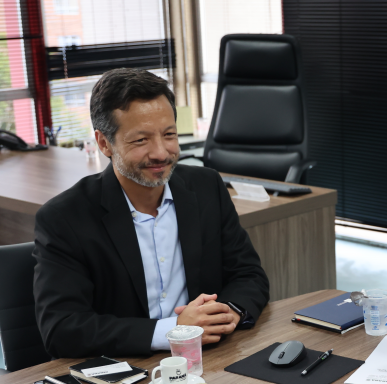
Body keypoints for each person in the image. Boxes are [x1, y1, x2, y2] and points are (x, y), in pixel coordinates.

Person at [34, 68, 269, 358]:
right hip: (126, 371)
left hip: (210, 360)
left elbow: (248, 274)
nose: (161, 152)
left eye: (169, 134)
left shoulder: (206, 187)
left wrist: (229, 312)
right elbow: (61, 329)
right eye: (141, 140)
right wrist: (173, 330)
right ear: (104, 143)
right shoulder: (64, 218)